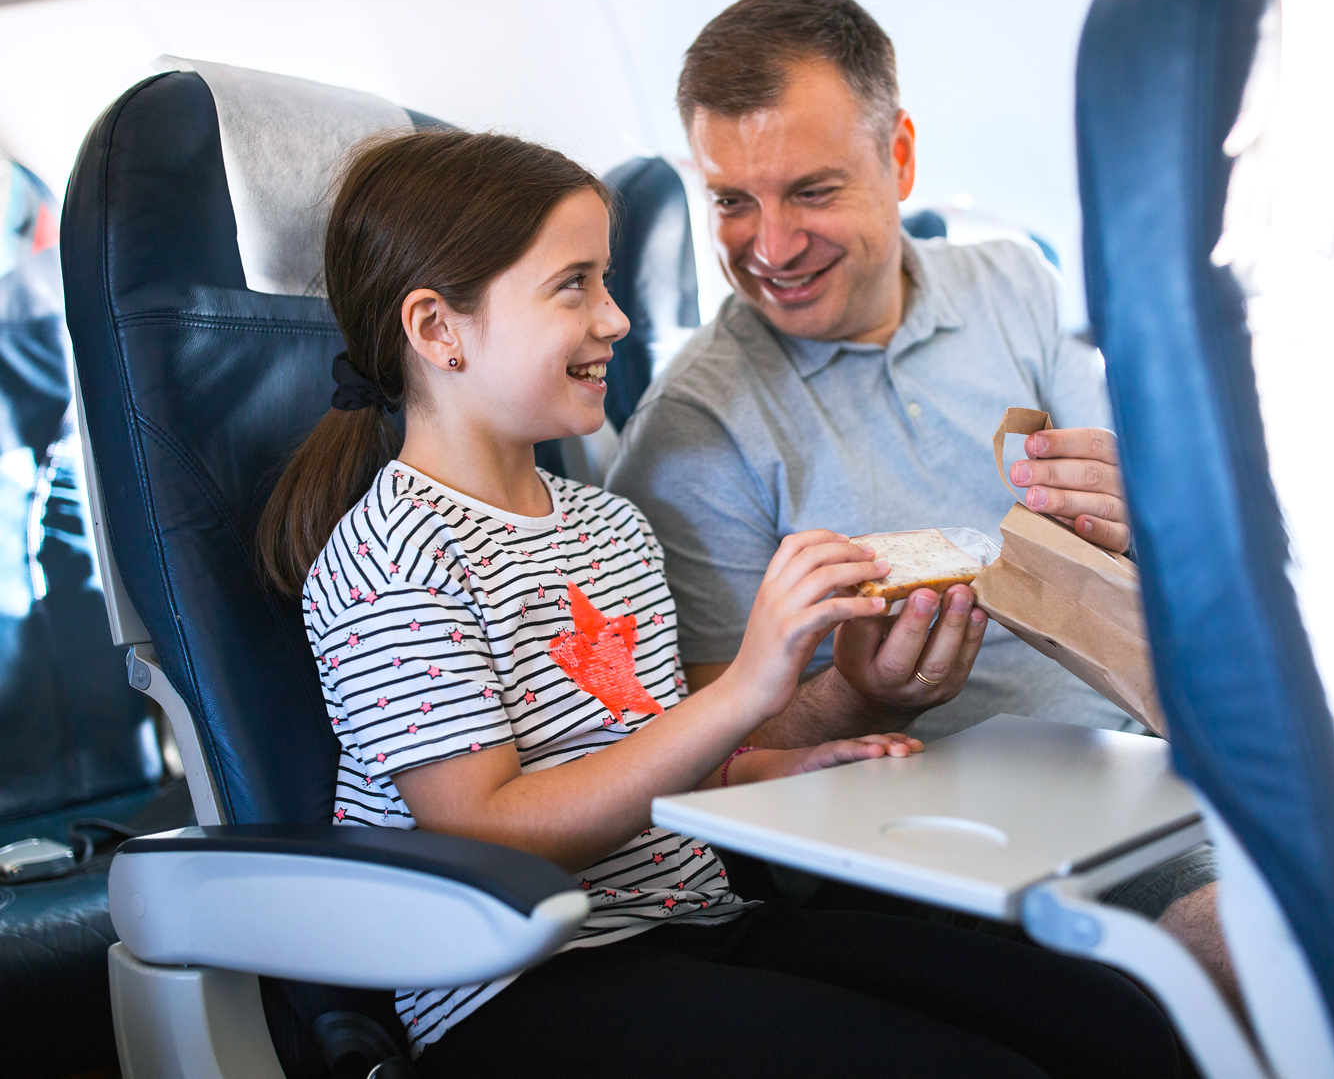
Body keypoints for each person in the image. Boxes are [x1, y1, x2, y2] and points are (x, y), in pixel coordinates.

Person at [255, 129, 1184, 1077]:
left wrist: (784, 767)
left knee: (1110, 1016)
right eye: (573, 285)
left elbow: (659, 774)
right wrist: (744, 688)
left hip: (692, 919)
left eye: (608, 282)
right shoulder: (389, 557)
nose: (614, 320)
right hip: (517, 984)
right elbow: (486, 833)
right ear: (438, 329)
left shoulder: (607, 527)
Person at [605, 0, 1233, 1002]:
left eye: (811, 190)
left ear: (898, 158)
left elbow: (1158, 556)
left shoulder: (1014, 284)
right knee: (1271, 932)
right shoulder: (693, 434)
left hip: (1157, 757)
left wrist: (1148, 517)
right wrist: (859, 692)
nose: (768, 246)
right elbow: (706, 762)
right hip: (955, 838)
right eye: (732, 201)